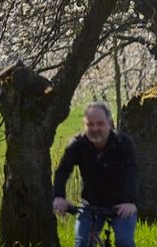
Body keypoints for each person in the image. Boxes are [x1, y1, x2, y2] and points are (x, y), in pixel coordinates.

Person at [52, 102, 138, 247]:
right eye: (90, 124)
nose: (95, 128)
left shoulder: (123, 143)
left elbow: (132, 172)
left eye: (100, 124)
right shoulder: (77, 145)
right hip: (90, 204)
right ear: (84, 124)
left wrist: (130, 202)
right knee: (82, 243)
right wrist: (59, 197)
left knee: (124, 242)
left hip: (121, 205)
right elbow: (62, 171)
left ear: (110, 123)